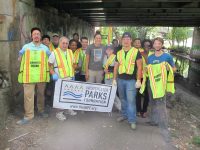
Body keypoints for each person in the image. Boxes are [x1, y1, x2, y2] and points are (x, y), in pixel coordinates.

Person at [141, 37, 176, 144]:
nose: (157, 45)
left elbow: (174, 69)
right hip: (151, 85)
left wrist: (167, 67)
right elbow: (147, 69)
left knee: (161, 105)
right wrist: (146, 69)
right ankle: (153, 121)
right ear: (153, 45)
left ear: (161, 45)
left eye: (159, 43)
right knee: (152, 103)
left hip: (161, 86)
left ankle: (164, 129)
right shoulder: (150, 57)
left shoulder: (167, 56)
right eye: (155, 43)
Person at [17, 27, 51, 125]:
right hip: (29, 77)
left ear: (40, 36)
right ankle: (29, 116)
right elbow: (20, 57)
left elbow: (50, 60)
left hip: (41, 77)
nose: (36, 35)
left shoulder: (45, 48)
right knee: (28, 97)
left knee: (41, 95)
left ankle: (41, 111)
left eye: (38, 34)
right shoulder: (26, 47)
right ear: (31, 36)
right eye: (34, 34)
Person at [113, 32, 142, 130]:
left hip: (131, 81)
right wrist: (114, 79)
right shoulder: (119, 52)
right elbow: (116, 67)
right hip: (120, 80)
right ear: (122, 41)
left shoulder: (135, 51)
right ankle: (124, 115)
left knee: (131, 101)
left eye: (128, 39)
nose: (126, 41)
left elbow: (140, 67)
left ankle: (132, 120)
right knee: (123, 99)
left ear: (131, 40)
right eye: (124, 39)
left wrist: (138, 80)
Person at [48, 36, 77, 121]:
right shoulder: (54, 53)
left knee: (69, 95)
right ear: (60, 43)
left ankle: (68, 109)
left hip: (70, 77)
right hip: (60, 79)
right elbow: (49, 65)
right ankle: (59, 113)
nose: (65, 45)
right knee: (59, 96)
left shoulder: (70, 52)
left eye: (66, 43)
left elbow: (73, 63)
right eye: (63, 43)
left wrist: (75, 68)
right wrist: (53, 73)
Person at [103, 44, 121, 111]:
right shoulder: (105, 57)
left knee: (113, 93)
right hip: (106, 77)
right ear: (105, 50)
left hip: (113, 77)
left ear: (113, 50)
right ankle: (111, 107)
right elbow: (103, 66)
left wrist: (108, 70)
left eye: (110, 49)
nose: (109, 50)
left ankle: (120, 107)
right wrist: (104, 69)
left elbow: (116, 67)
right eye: (107, 49)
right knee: (109, 92)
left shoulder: (115, 57)